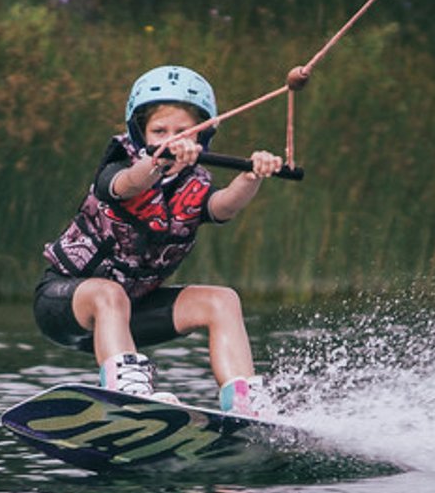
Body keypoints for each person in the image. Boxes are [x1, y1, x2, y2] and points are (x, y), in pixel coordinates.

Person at [33, 64, 283, 417]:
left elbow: (223, 207)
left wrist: (252, 176)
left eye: (184, 131)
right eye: (160, 130)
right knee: (109, 293)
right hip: (65, 304)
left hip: (133, 314)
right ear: (142, 134)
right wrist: (158, 161)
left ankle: (245, 403)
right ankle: (129, 393)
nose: (173, 137)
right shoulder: (119, 167)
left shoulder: (195, 185)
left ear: (202, 138)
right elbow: (131, 184)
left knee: (222, 300)